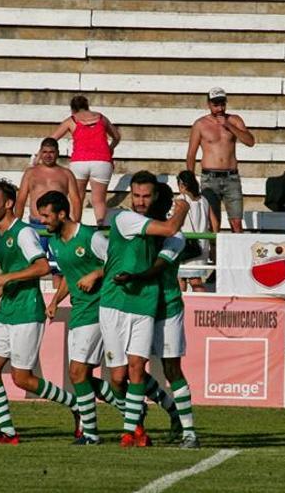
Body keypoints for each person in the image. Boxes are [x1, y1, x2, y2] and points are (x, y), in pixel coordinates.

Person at [0, 179, 79, 445]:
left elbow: (43, 267)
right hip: (7, 312)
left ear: (9, 204)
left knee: (23, 379)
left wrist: (6, 278)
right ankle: (8, 432)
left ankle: (76, 405)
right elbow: (7, 277)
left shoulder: (23, 233)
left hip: (26, 313)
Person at [100, 170, 189, 447]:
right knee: (118, 377)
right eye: (136, 196)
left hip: (146, 303)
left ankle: (134, 431)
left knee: (139, 368)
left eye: (146, 196)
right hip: (115, 302)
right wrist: (184, 208)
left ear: (157, 198)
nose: (140, 201)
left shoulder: (167, 234)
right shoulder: (126, 219)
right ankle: (149, 412)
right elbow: (169, 228)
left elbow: (169, 240)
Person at [119, 183, 200, 449]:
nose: (147, 205)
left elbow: (157, 268)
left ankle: (190, 433)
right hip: (141, 306)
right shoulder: (143, 228)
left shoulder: (175, 237)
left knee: (171, 368)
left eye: (154, 202)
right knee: (134, 370)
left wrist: (132, 276)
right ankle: (172, 413)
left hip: (166, 307)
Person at [39, 190, 116, 445]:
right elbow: (69, 277)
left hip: (98, 307)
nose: (43, 221)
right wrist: (54, 300)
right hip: (78, 309)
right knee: (80, 375)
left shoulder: (90, 237)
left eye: (46, 215)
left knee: (77, 372)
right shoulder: (55, 243)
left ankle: (91, 434)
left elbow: (117, 261)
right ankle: (130, 410)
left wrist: (96, 274)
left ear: (62, 214)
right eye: (41, 216)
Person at [186, 87, 255, 233]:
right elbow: (191, 154)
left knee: (236, 223)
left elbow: (250, 141)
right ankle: (214, 255)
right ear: (209, 104)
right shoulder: (200, 124)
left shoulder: (234, 120)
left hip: (231, 177)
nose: (219, 108)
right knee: (213, 223)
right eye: (215, 105)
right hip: (210, 178)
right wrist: (190, 179)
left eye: (222, 104)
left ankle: (237, 255)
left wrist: (228, 125)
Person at [16, 137, 81, 285]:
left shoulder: (66, 174)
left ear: (58, 153)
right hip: (36, 226)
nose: (48, 155)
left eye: (51, 152)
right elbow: (21, 199)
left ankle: (58, 304)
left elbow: (76, 200)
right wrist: (16, 224)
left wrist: (76, 224)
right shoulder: (31, 173)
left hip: (58, 227)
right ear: (40, 153)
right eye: (44, 152)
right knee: (32, 267)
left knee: (58, 269)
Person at [50, 95, 121, 226]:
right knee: (99, 201)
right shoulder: (101, 117)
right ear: (87, 106)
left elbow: (52, 140)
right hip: (102, 161)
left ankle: (74, 230)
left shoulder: (71, 120)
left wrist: (39, 157)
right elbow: (117, 136)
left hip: (80, 162)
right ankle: (101, 228)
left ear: (72, 109)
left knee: (77, 199)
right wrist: (110, 148)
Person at [176, 170, 217, 292]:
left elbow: (175, 222)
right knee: (195, 279)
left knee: (185, 281)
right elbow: (214, 223)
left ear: (182, 185)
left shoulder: (181, 199)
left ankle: (196, 307)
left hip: (186, 245)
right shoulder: (204, 200)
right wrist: (213, 244)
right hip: (202, 245)